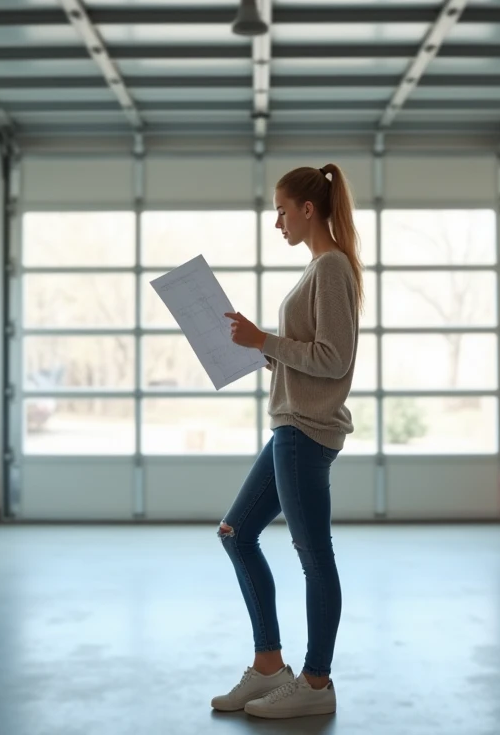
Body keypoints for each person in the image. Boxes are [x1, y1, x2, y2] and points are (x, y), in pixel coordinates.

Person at [212, 163, 364, 720]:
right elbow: (308, 354)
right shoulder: (318, 270)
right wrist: (259, 348)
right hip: (289, 427)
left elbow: (333, 358)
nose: (276, 221)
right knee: (236, 533)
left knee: (313, 556)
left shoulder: (330, 268)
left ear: (307, 208)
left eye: (281, 209)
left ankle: (316, 682)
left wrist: (266, 340)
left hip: (304, 430)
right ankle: (270, 664)